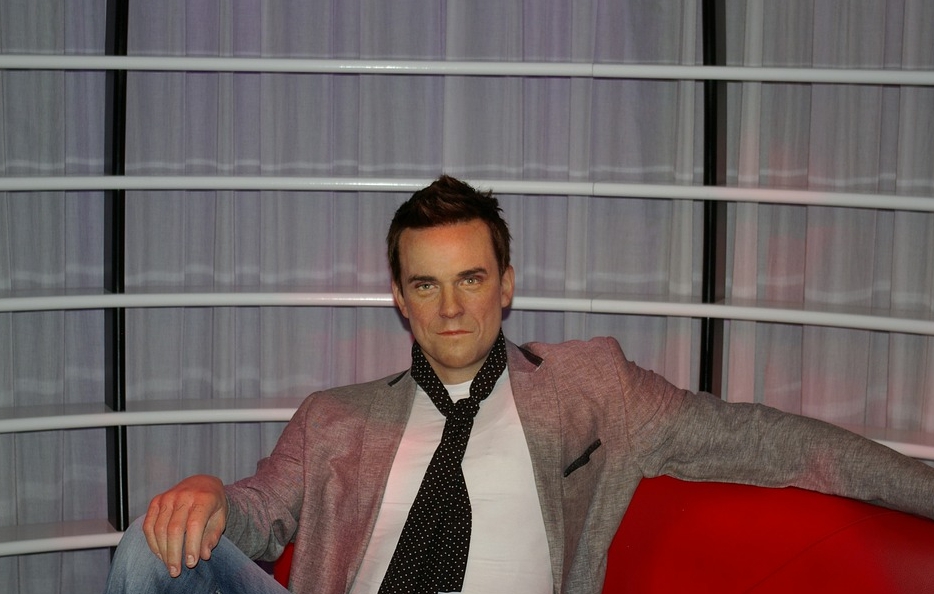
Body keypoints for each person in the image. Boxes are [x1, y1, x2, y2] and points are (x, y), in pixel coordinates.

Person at [104, 175, 934, 594]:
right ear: (399, 299)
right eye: (426, 285)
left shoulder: (591, 388)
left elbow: (766, 441)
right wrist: (212, 493)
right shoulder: (333, 418)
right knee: (145, 543)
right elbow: (258, 516)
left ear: (506, 284)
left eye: (471, 279)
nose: (451, 309)